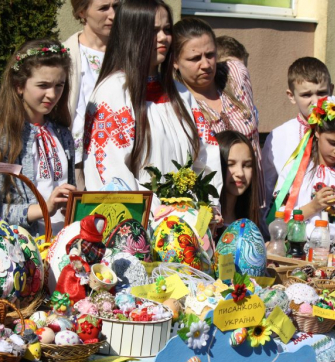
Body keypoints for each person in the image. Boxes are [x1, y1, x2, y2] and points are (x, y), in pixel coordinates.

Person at [82, 0, 222, 199]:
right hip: (138, 221)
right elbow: (111, 172)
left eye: (166, 29)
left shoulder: (181, 94)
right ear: (131, 34)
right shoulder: (113, 94)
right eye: (153, 30)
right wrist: (159, 213)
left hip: (186, 222)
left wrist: (203, 208)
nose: (163, 37)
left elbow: (206, 158)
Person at [0, 39, 76, 236]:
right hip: (23, 249)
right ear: (19, 85)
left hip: (63, 245)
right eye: (43, 85)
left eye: (59, 85)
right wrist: (44, 209)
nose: (52, 94)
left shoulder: (62, 133)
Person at [172, 18, 258, 204]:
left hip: (252, 202)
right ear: (175, 61)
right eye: (195, 58)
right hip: (213, 208)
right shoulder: (178, 104)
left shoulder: (235, 74)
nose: (206, 64)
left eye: (210, 55)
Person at [272, 96, 335, 238]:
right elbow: (279, 218)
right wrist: (314, 206)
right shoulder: (296, 170)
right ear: (317, 131)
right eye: (333, 143)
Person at [261, 57, 333, 213]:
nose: (315, 101)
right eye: (306, 95)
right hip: (291, 225)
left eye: (322, 93)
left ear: (331, 90)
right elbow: (267, 188)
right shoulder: (278, 136)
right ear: (291, 95)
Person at [63, 0, 118, 189]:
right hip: (78, 162)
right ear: (82, 12)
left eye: (116, 7)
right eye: (103, 8)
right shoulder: (66, 55)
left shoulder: (127, 55)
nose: (113, 15)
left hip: (119, 159)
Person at [215, 130, 265, 238]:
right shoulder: (205, 219)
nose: (240, 173)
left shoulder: (250, 220)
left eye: (247, 165)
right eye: (231, 164)